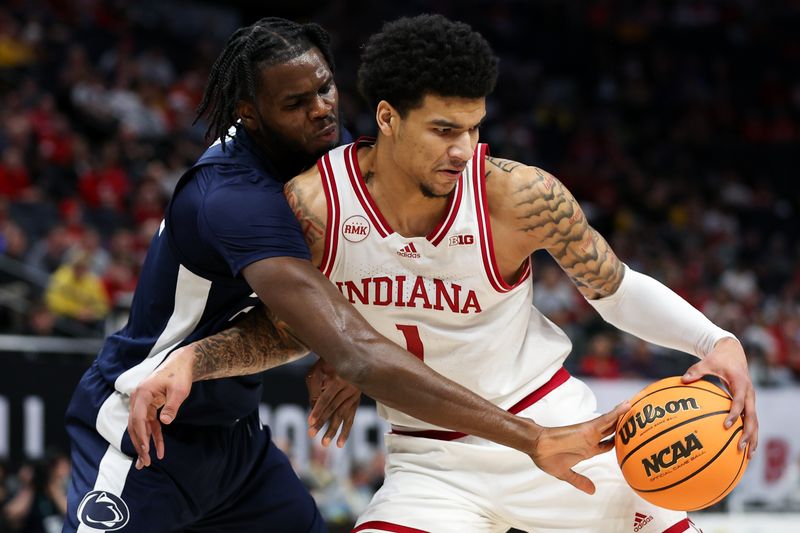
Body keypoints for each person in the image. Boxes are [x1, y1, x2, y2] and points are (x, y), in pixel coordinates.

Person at [65, 17, 625, 533]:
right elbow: (346, 340)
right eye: (295, 102)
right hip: (143, 426)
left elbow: (345, 295)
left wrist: (339, 351)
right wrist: (531, 438)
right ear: (249, 113)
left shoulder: (322, 162)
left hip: (233, 437)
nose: (321, 110)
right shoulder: (236, 198)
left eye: (325, 88)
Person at [265, 14, 757, 532]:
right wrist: (319, 349)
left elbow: (614, 289)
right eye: (443, 130)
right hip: (430, 463)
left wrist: (716, 340)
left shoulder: (520, 196)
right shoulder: (314, 205)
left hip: (558, 428)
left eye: (474, 127)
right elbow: (290, 320)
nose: (464, 148)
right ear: (387, 117)